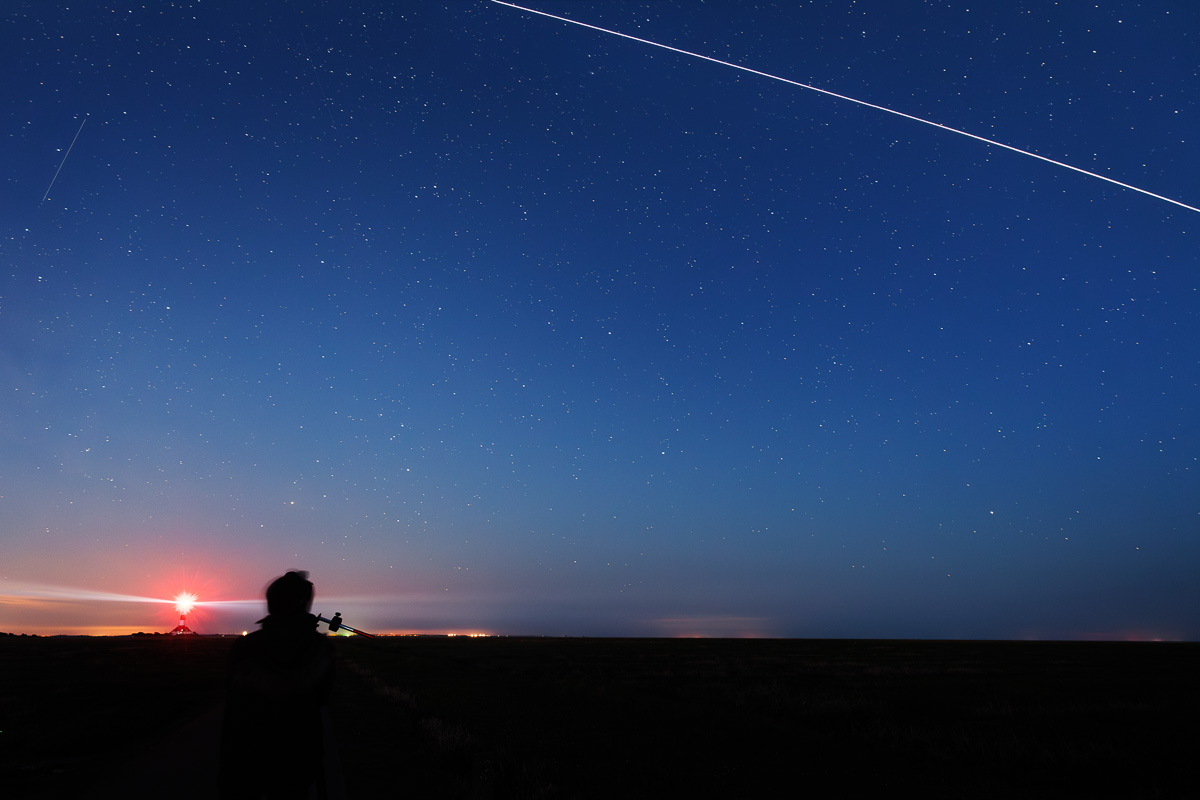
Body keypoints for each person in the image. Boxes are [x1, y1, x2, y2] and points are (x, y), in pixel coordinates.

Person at [220, 571, 336, 799]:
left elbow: (231, 696)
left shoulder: (245, 646)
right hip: (298, 753)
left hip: (246, 752)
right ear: (304, 603)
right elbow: (322, 697)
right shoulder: (319, 648)